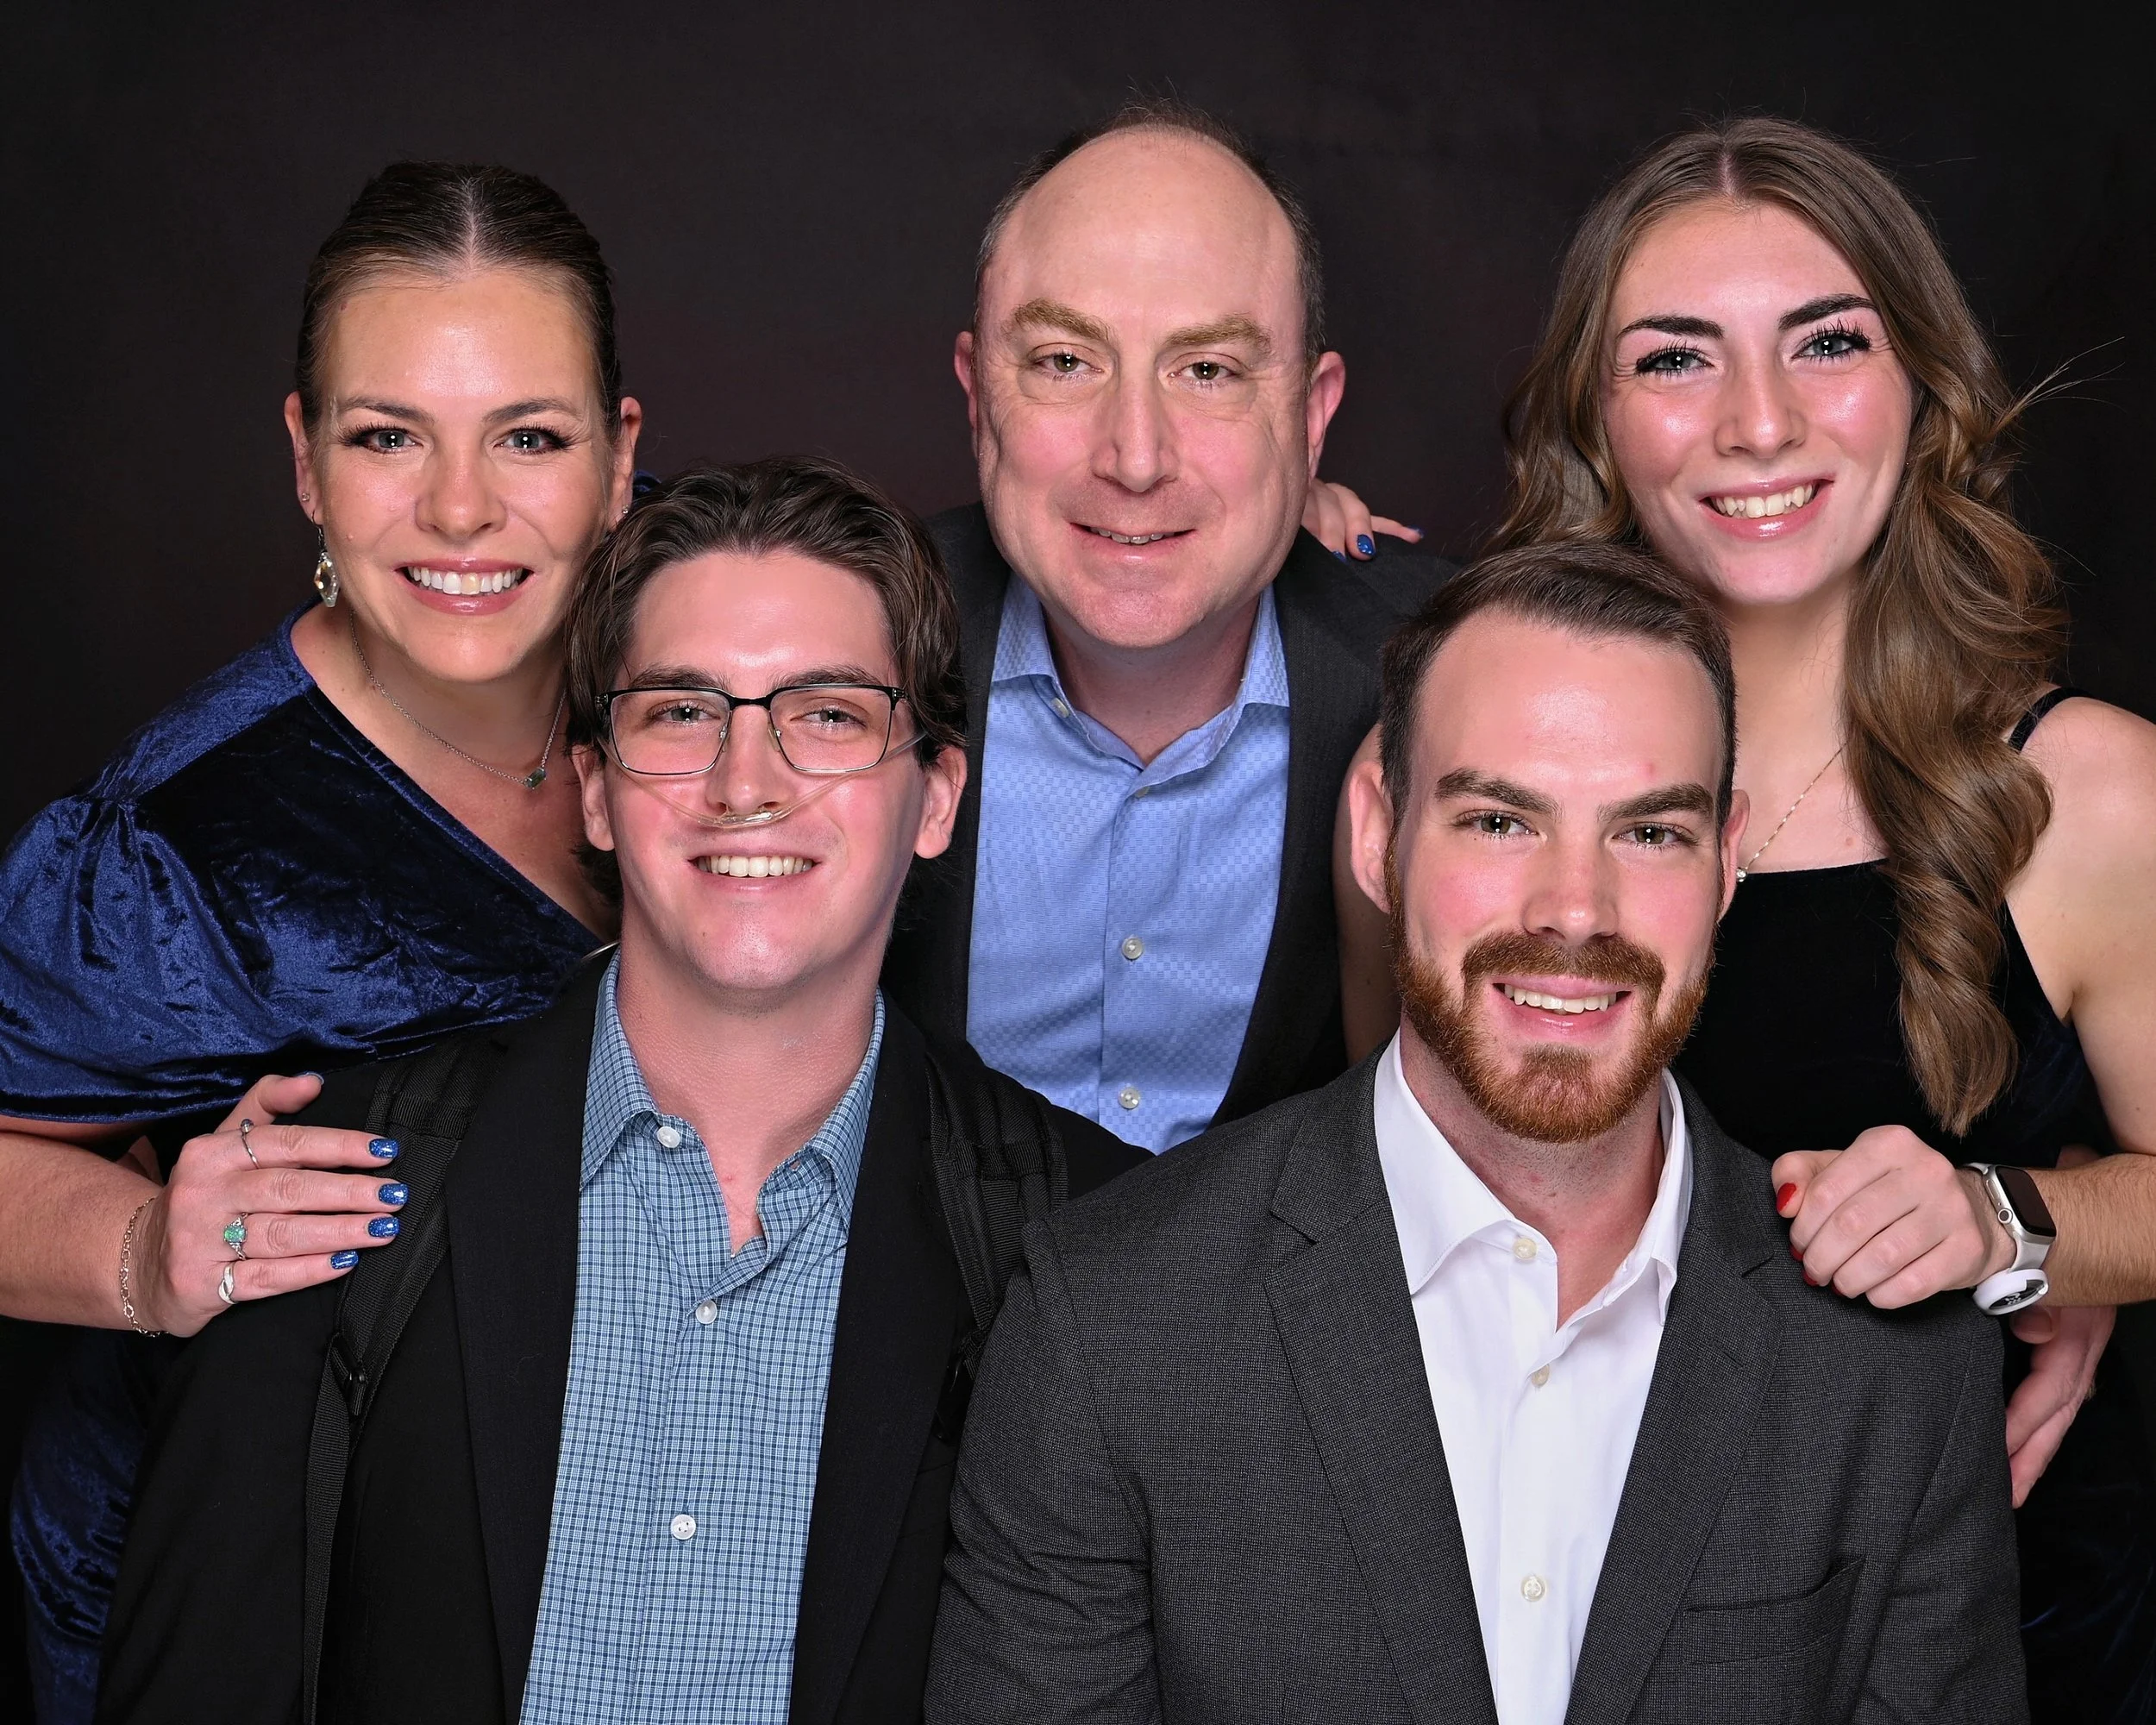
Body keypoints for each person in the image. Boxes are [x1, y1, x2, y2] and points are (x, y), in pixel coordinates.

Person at [99, 458, 1146, 1725]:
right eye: (679, 712)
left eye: (825, 714)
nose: (744, 780)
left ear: (935, 796)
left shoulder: (1102, 1257)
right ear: (595, 789)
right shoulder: (324, 1191)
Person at [928, 543, 2024, 1725]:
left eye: (1648, 833)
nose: (1574, 910)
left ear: (1724, 861)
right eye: (1501, 820)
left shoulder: (1892, 1364)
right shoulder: (1107, 1322)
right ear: (1376, 834)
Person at [1475, 116, 2156, 1720]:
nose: (1758, 424)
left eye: (1827, 344)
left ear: (1922, 388)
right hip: (1563, 1633)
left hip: (2004, 1645)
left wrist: (2015, 1233)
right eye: (1676, 361)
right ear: (1596, 420)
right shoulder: (1464, 782)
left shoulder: (2092, 792)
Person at [2, 161, 637, 1719]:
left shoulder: (688, 656)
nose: (463, 510)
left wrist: (1274, 548)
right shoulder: (177, 844)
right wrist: (147, 1252)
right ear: (304, 460)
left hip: (559, 1564)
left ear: (623, 460)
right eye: (385, 438)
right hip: (243, 1599)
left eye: (531, 438)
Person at [882, 97, 1451, 1153]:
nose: (1135, 457)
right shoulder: (842, 643)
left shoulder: (1446, 679)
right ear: (975, 395)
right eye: (1063, 362)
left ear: (1312, 416)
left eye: (1209, 372)